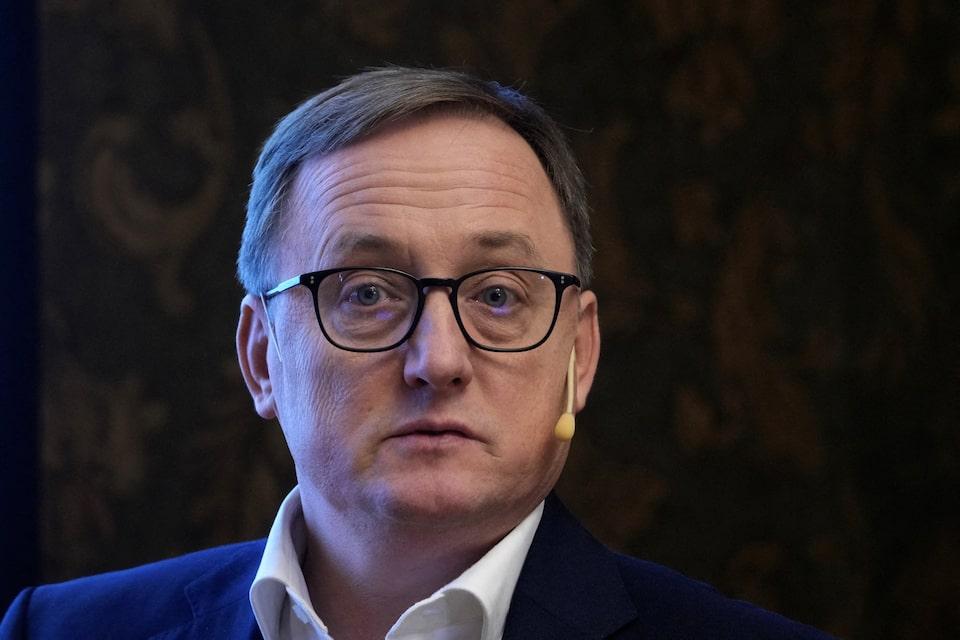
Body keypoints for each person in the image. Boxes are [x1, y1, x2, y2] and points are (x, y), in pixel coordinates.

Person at [1, 67, 834, 640]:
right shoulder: (61, 633)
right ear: (260, 357)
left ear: (578, 357)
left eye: (498, 296)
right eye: (367, 293)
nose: (438, 361)